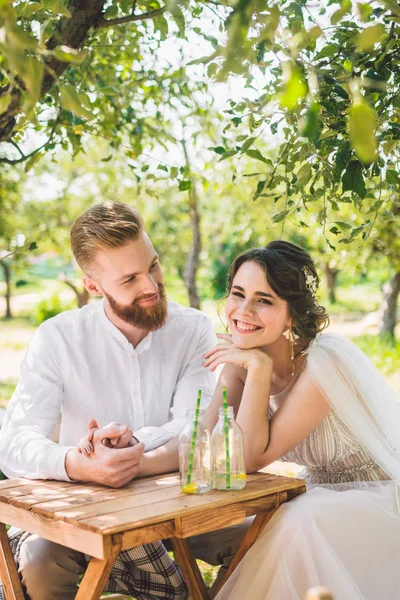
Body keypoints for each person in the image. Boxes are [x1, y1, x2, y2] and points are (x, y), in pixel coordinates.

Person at [0, 202, 217, 600]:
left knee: (261, 529)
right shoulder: (58, 338)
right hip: (85, 514)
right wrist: (78, 463)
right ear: (93, 286)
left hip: (176, 504)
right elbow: (14, 444)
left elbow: (198, 425)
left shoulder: (194, 330)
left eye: (153, 265)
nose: (151, 286)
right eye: (130, 279)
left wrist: (133, 453)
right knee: (38, 561)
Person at [201, 240, 400, 600]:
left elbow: (249, 459)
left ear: (291, 315)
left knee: (293, 523)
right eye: (237, 294)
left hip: (382, 498)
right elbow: (201, 437)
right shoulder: (240, 363)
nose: (243, 310)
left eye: (264, 300)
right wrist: (138, 459)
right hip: (322, 496)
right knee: (285, 521)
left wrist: (258, 368)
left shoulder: (326, 363)